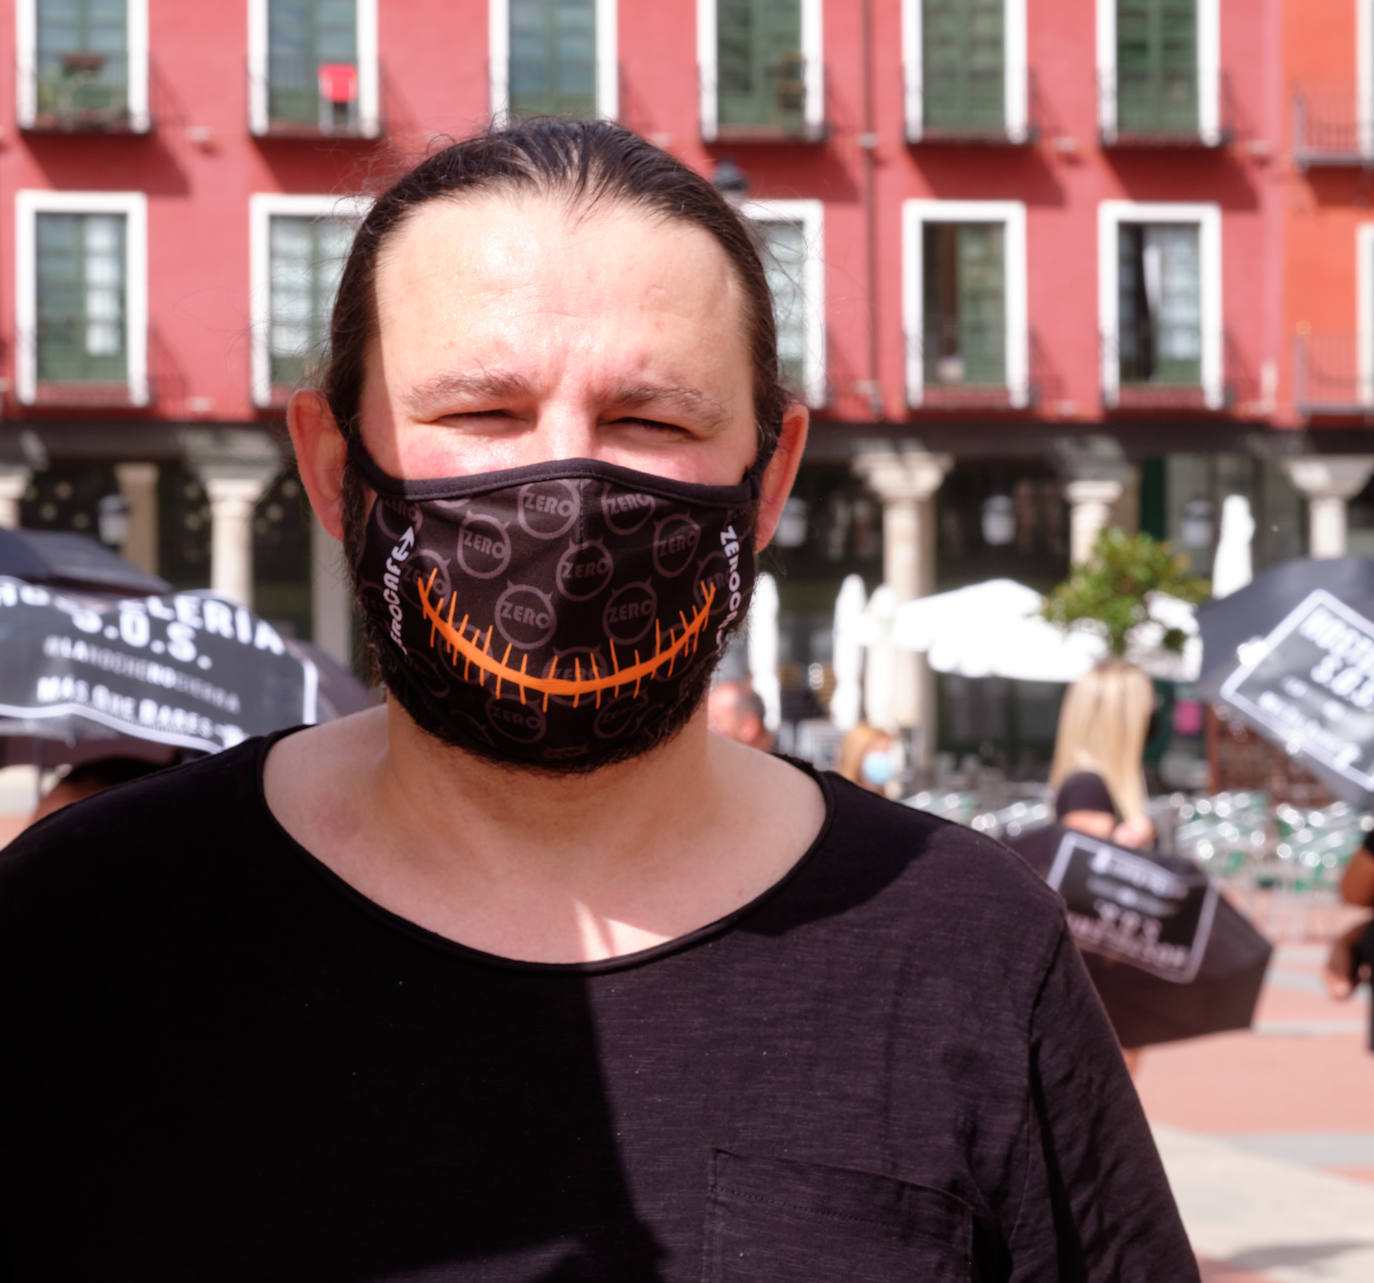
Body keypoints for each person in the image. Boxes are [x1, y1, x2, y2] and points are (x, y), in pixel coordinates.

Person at [0, 121, 1197, 1280]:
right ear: (331, 467)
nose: (569, 495)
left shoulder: (965, 945)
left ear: (769, 477)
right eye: (480, 412)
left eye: (651, 419)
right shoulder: (85, 925)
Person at [1049, 659, 1157, 851]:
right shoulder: (1086, 787)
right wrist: (1125, 843)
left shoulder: (1090, 783)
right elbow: (1082, 872)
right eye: (1146, 713)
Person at [706, 678, 774, 752]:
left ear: (748, 727)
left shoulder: (779, 762)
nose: (708, 729)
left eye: (716, 721)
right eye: (706, 721)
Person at [836, 720, 898, 795]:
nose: (882, 758)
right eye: (876, 751)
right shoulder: (839, 798)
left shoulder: (883, 800)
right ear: (856, 755)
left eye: (886, 751)